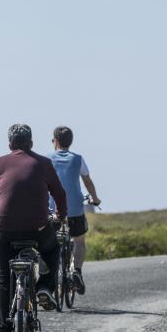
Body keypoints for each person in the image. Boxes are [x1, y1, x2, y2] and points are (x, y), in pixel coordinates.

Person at [0, 124, 67, 332]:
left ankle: (4, 330)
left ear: (10, 144)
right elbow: (60, 193)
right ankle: (45, 288)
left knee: (3, 276)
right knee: (52, 249)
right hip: (37, 227)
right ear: (31, 143)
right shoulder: (43, 163)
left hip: (4, 229)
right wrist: (60, 216)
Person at [48, 126, 101, 294]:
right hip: (75, 208)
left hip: (52, 210)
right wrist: (94, 198)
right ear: (70, 142)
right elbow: (87, 181)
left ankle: (48, 277)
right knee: (79, 241)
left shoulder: (46, 159)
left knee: (48, 243)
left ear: (54, 141)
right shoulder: (78, 159)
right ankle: (77, 271)